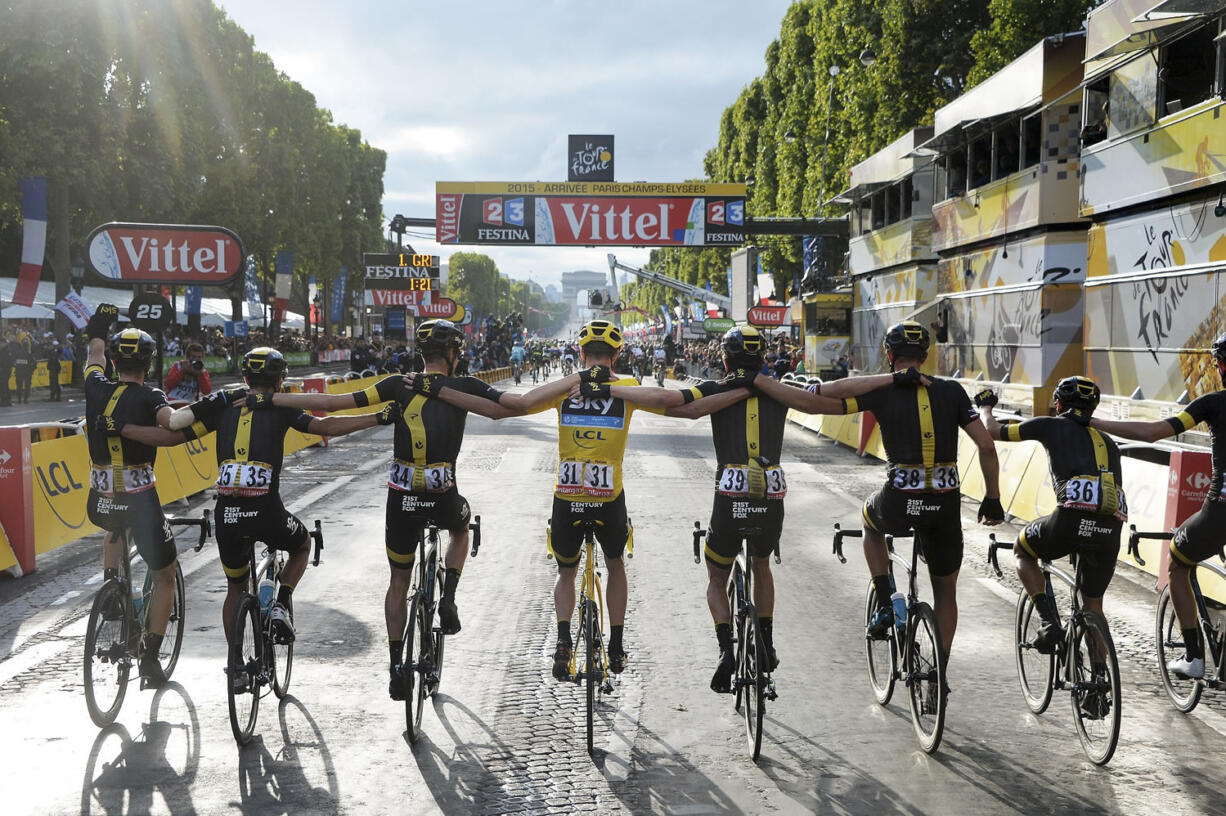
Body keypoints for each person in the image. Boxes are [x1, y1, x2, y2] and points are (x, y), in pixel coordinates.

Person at [268, 320, 575, 700]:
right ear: (453, 354)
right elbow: (515, 406)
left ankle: (396, 665)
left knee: (398, 581)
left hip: (401, 501)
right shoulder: (464, 385)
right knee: (462, 529)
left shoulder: (398, 383)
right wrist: (574, 379)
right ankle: (448, 598)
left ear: (422, 355)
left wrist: (272, 398)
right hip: (444, 497)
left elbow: (331, 406)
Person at [599, 324, 903, 692]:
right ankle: (767, 643)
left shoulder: (718, 388)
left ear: (724, 359)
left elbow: (678, 405)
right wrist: (893, 379)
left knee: (716, 577)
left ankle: (727, 650)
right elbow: (819, 401)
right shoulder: (779, 392)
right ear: (763, 359)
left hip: (728, 499)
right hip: (771, 498)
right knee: (761, 565)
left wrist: (614, 391)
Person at [755, 321, 1002, 681]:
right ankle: (940, 672)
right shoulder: (952, 392)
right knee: (945, 591)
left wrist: (887, 380)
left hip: (899, 500)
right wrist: (992, 498)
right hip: (945, 504)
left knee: (869, 521)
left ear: (888, 355)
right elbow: (987, 445)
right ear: (926, 355)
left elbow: (824, 394)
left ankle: (885, 602)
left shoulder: (881, 390)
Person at [144, 347, 395, 688]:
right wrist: (378, 417)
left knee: (235, 588)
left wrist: (123, 429)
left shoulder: (224, 407)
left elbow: (170, 436)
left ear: (246, 378)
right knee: (303, 545)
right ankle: (281, 604)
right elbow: (326, 425)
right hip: (266, 512)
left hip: (227, 514)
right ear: (279, 380)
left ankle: (234, 667)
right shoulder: (280, 406)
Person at [1085, 335, 1226, 679]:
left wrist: (1095, 423)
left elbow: (1151, 433)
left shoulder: (1213, 403)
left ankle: (1194, 657)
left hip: (1221, 510)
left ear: (1221, 365)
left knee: (1177, 561)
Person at [976, 376, 1125, 702]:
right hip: (1108, 531)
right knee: (1093, 605)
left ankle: (1049, 623)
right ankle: (1099, 687)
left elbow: (994, 431)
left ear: (1058, 404)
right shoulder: (1108, 442)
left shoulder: (1050, 425)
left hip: (1068, 523)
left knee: (1022, 550)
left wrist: (985, 406)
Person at [81, 305, 180, 688]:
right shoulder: (151, 396)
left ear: (115, 360)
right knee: (164, 574)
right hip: (140, 499)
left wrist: (100, 323)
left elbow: (93, 352)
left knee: (114, 527)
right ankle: (151, 662)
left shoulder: (95, 384)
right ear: (149, 362)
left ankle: (111, 588)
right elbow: (171, 423)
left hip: (100, 498)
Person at [13, 336, 33, 404]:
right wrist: (31, 370)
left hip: (19, 372)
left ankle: (19, 400)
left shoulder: (17, 353)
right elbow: (33, 364)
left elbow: (14, 362)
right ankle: (25, 400)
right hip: (27, 373)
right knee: (27, 386)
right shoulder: (29, 354)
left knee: (19, 386)